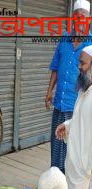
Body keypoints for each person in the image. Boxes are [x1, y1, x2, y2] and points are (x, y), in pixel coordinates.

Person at [46, 0, 92, 173]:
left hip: (78, 105)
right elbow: (56, 67)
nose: (79, 20)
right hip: (60, 102)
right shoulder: (65, 39)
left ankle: (69, 184)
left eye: (83, 17)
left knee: (73, 150)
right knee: (56, 144)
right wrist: (49, 91)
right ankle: (55, 179)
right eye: (76, 17)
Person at [56, 45, 92, 189]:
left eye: (83, 63)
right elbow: (81, 121)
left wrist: (89, 173)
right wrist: (68, 125)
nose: (79, 67)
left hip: (85, 174)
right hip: (76, 170)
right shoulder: (84, 90)